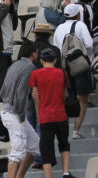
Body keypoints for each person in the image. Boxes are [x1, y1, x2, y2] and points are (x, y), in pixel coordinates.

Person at [30, 47, 74, 178]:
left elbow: (36, 98)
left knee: (46, 150)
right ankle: (66, 172)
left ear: (42, 61)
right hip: (61, 115)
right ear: (55, 60)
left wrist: (38, 115)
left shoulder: (36, 74)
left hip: (45, 117)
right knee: (64, 144)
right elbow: (65, 94)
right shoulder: (62, 73)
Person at [54, 3, 94, 139]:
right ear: (78, 14)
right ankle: (76, 130)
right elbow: (89, 44)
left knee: (67, 97)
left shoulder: (59, 28)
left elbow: (56, 48)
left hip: (65, 67)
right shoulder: (81, 25)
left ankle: (64, 130)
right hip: (80, 66)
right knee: (83, 100)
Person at [1, 41, 40, 178]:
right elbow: (21, 94)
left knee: (34, 144)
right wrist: (22, 116)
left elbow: (2, 92)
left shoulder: (14, 65)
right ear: (33, 53)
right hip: (15, 114)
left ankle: (19, 176)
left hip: (8, 110)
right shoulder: (30, 67)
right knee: (17, 153)